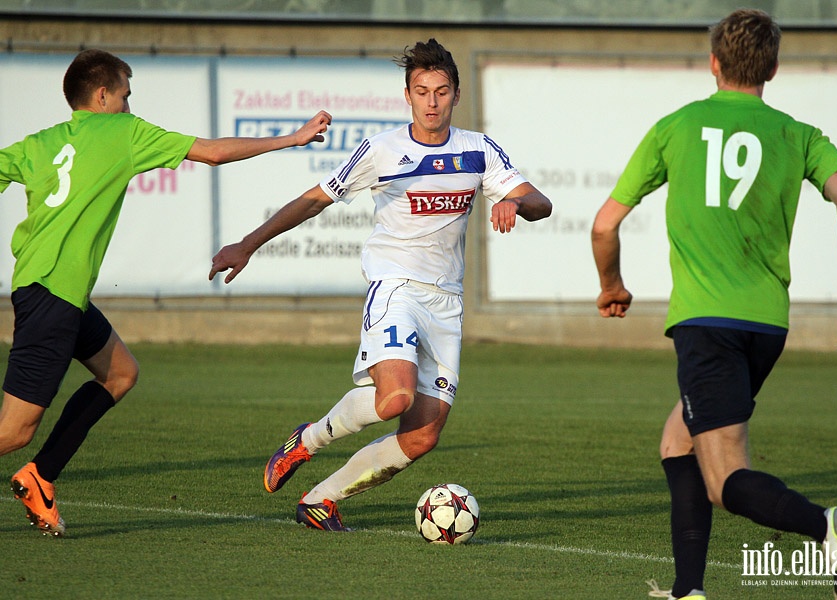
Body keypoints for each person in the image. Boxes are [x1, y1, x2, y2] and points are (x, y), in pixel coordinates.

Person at [209, 38, 552, 531]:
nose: (432, 102)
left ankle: (320, 500)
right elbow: (314, 200)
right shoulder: (383, 149)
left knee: (422, 436)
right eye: (422, 91)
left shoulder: (477, 150)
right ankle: (307, 441)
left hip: (446, 302)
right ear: (407, 96)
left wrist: (516, 203)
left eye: (441, 91)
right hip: (395, 288)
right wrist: (249, 243)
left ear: (456, 94)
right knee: (395, 399)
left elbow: (541, 201)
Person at [590, 9, 837, 600]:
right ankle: (687, 588)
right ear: (772, 67)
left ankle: (825, 526)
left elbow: (604, 225)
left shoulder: (677, 127)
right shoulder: (797, 133)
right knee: (676, 442)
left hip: (707, 324)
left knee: (724, 481)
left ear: (713, 63)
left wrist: (612, 284)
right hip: (766, 324)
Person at [0, 48, 332, 536]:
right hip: (52, 297)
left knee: (121, 374)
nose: (131, 106)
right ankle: (34, 465)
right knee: (14, 431)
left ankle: (41, 477)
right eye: (126, 95)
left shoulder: (41, 143)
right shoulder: (122, 132)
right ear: (102, 95)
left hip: (52, 291)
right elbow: (214, 153)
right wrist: (294, 138)